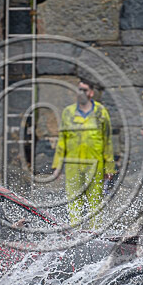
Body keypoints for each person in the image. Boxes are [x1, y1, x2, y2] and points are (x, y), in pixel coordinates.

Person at [51, 78, 115, 228]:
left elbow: (107, 141)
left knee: (95, 201)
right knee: (74, 201)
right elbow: (62, 140)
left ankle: (95, 233)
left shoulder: (101, 112)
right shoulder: (68, 112)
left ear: (91, 93)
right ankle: (75, 232)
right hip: (73, 165)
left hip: (95, 165)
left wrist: (109, 167)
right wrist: (57, 165)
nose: (81, 93)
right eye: (79, 89)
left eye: (84, 90)